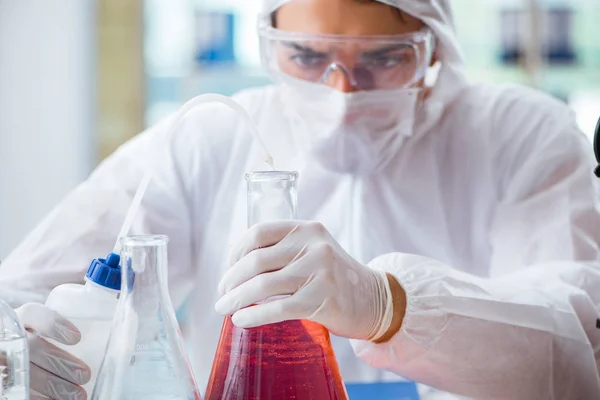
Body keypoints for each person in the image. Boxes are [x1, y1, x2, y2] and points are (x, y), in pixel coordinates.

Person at [2, 0, 600, 398]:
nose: (341, 89)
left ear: (435, 48)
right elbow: (22, 291)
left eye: (385, 59)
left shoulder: (521, 132)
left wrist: (389, 306)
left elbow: (578, 340)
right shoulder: (211, 134)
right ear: (268, 46)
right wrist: (13, 353)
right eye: (308, 56)